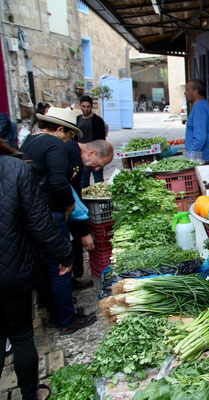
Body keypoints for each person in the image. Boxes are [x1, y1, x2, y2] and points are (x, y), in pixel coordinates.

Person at [0, 138, 74, 400]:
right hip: (11, 271)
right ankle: (30, 395)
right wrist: (64, 253)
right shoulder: (14, 167)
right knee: (20, 337)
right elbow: (39, 221)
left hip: (11, 268)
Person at [20, 107, 96, 335]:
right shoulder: (54, 145)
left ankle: (56, 315)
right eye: (69, 134)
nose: (69, 140)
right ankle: (67, 319)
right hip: (50, 214)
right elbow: (58, 182)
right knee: (63, 265)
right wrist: (70, 206)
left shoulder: (29, 142)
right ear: (60, 129)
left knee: (47, 267)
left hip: (32, 214)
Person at [66, 139, 113, 290]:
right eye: (99, 164)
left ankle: (72, 280)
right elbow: (71, 194)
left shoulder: (72, 150)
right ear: (91, 153)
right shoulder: (72, 154)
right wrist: (84, 231)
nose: (97, 169)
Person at [76, 95, 109, 188]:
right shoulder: (77, 119)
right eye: (84, 106)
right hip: (82, 155)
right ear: (80, 106)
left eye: (88, 106)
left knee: (99, 181)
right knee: (83, 181)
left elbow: (102, 139)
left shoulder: (97, 120)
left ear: (91, 106)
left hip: (96, 154)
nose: (86, 109)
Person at [184, 79, 209, 164]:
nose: (185, 93)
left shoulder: (200, 108)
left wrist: (190, 156)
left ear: (195, 92)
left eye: (187, 89)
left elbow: (200, 138)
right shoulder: (204, 105)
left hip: (203, 160)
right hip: (207, 158)